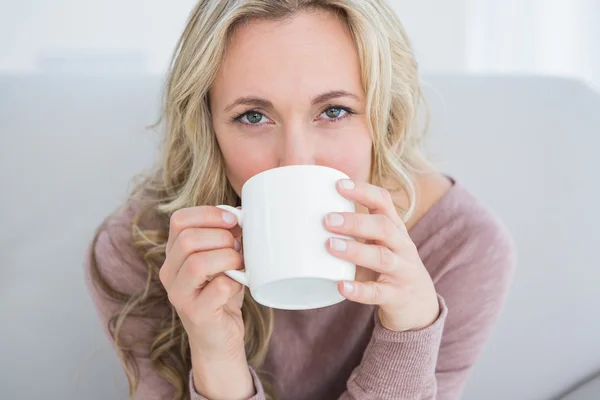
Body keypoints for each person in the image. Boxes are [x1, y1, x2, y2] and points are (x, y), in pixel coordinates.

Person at [84, 1, 515, 399]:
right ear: (207, 126)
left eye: (334, 112)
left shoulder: (462, 249)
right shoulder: (139, 255)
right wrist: (217, 360)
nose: (294, 159)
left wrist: (410, 335)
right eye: (253, 116)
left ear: (385, 116)